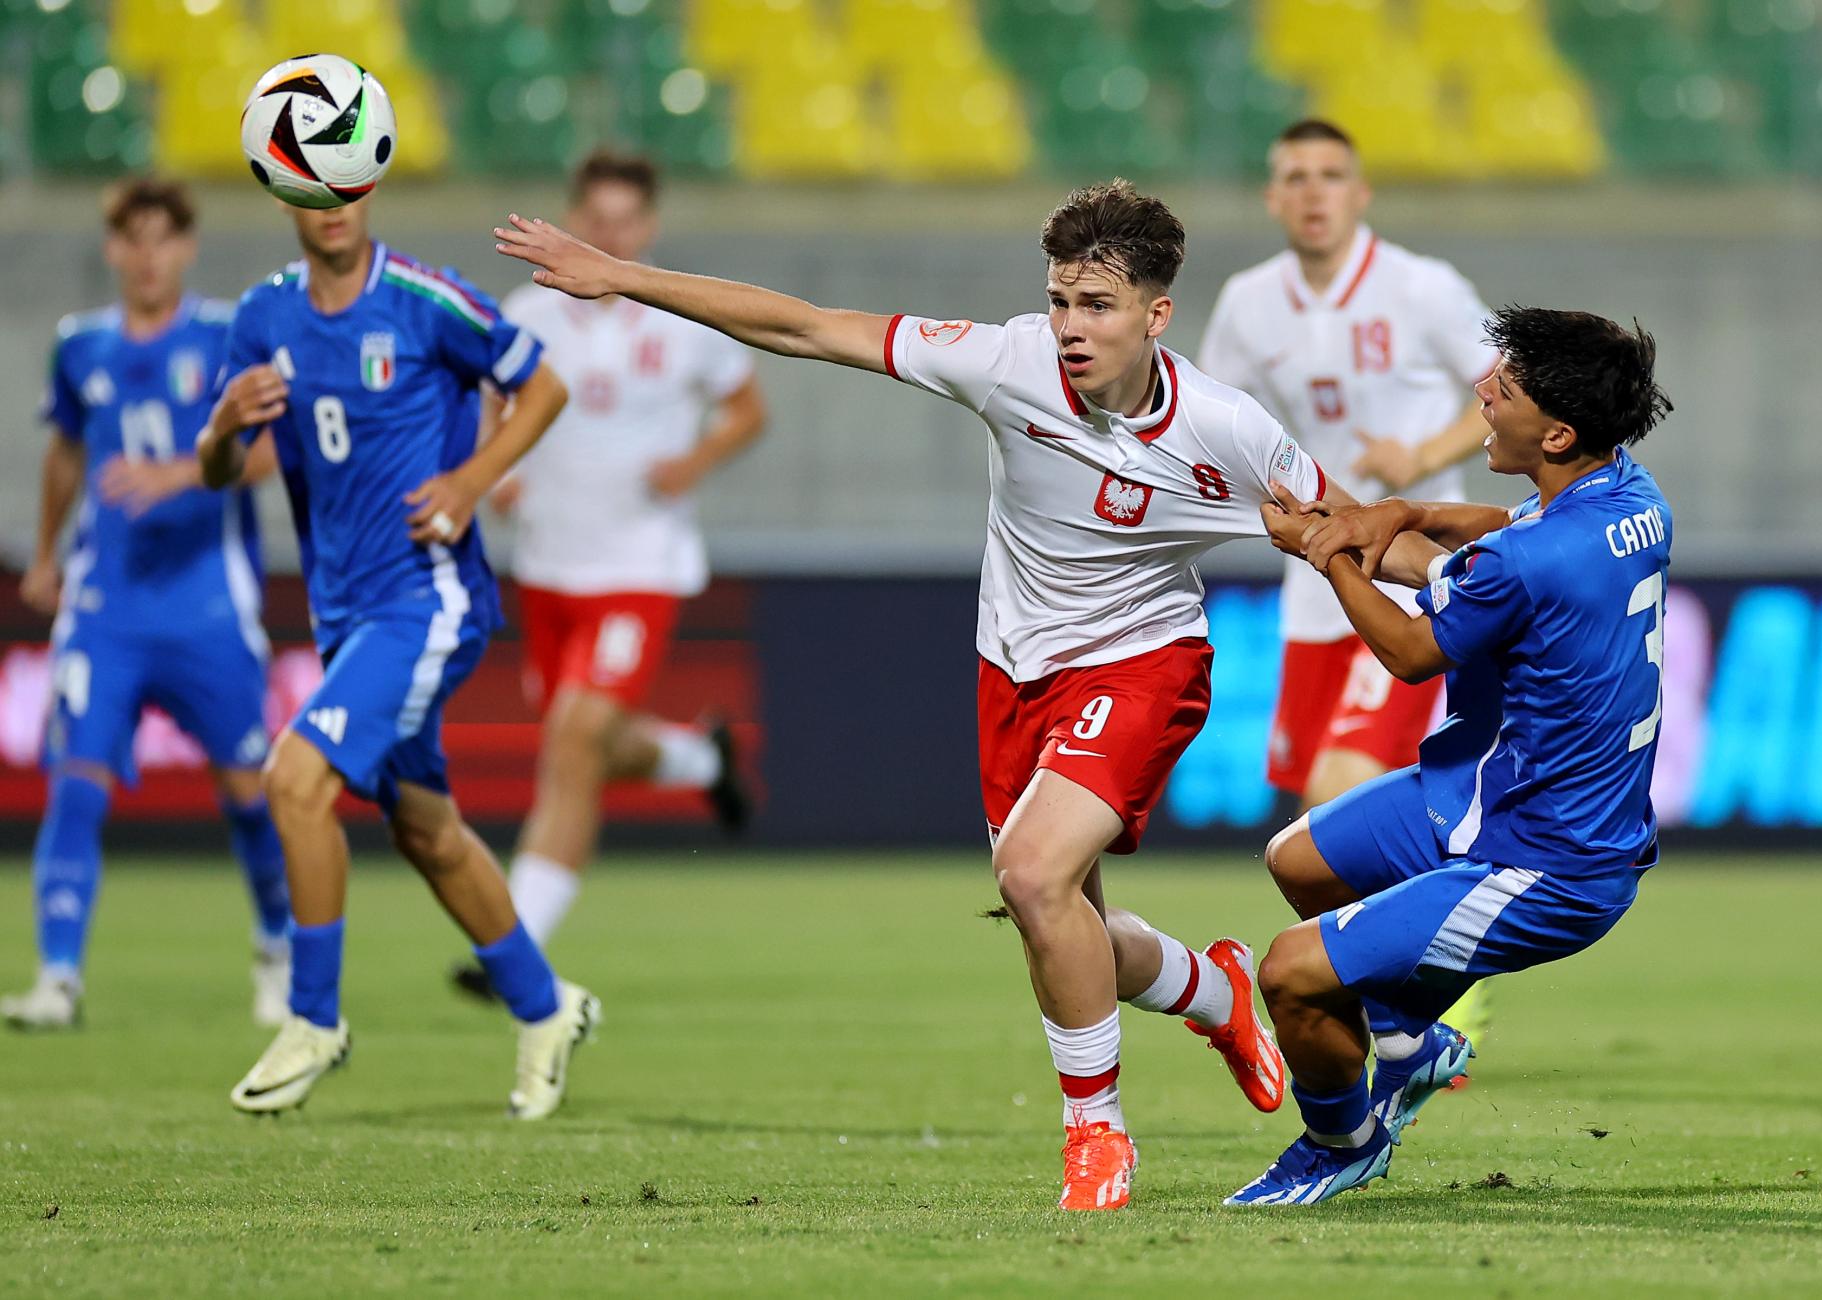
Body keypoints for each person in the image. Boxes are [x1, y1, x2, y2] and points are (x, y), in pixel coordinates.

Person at [495, 180, 1437, 1210]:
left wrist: (1500, 590)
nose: (1070, 328)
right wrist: (620, 277)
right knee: (1055, 919)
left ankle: (1097, 1135)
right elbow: (808, 326)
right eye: (1061, 301)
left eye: (1099, 307)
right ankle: (1213, 989)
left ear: (1157, 315)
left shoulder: (1228, 430)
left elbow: (1357, 531)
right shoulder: (1007, 359)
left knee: (1031, 876)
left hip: (1144, 664)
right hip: (1012, 671)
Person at [1226, 306, 1673, 1207]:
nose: (1480, 388)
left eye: (1501, 387)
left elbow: (1408, 651)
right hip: (1495, 795)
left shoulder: (1529, 560)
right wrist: (1396, 512)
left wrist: (1328, 551)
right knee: (1299, 861)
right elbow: (1486, 537)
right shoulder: (1631, 497)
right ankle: (1406, 1043)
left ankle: (1340, 1142)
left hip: (1546, 864)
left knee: (1287, 973)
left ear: (1555, 430)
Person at [198, 192, 594, 1120]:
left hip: (431, 599)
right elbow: (223, 473)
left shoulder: (428, 300)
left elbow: (544, 386)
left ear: (370, 188)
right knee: (424, 829)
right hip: (345, 613)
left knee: (294, 780)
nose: (333, 208)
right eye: (312, 189)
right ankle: (546, 1007)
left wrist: (469, 478)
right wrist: (220, 429)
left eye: (349, 188)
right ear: (282, 194)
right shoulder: (263, 316)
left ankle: (313, 1018)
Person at [1199, 117, 1502, 1045]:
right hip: (1315, 579)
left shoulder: (1421, 287)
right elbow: (1211, 417)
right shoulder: (1251, 302)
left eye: (1331, 174)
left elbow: (1506, 387)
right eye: (1295, 175)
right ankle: (1419, 982)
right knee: (1315, 827)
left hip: (1410, 578)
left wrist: (1423, 453)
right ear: (1272, 196)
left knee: (1342, 786)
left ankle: (1418, 1007)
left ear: (1360, 193)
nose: (1314, 191)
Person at [449, 150, 764, 999]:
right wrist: (494, 467)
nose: (612, 233)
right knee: (582, 744)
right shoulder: (529, 312)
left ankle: (511, 948)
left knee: (576, 737)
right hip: (551, 560)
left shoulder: (679, 314)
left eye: (627, 220)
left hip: (639, 561)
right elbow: (485, 397)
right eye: (599, 218)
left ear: (647, 227)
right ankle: (700, 760)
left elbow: (747, 409)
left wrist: (693, 461)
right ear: (575, 218)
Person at [3, 178, 288, 1032]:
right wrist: (46, 552)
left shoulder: (225, 334)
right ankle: (58, 978)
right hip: (107, 605)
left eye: (165, 238)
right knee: (75, 784)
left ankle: (276, 951)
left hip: (208, 604)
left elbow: (273, 446)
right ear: (115, 250)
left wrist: (176, 474)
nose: (150, 255)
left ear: (187, 247)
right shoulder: (80, 347)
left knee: (248, 792)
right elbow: (64, 451)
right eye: (135, 240)